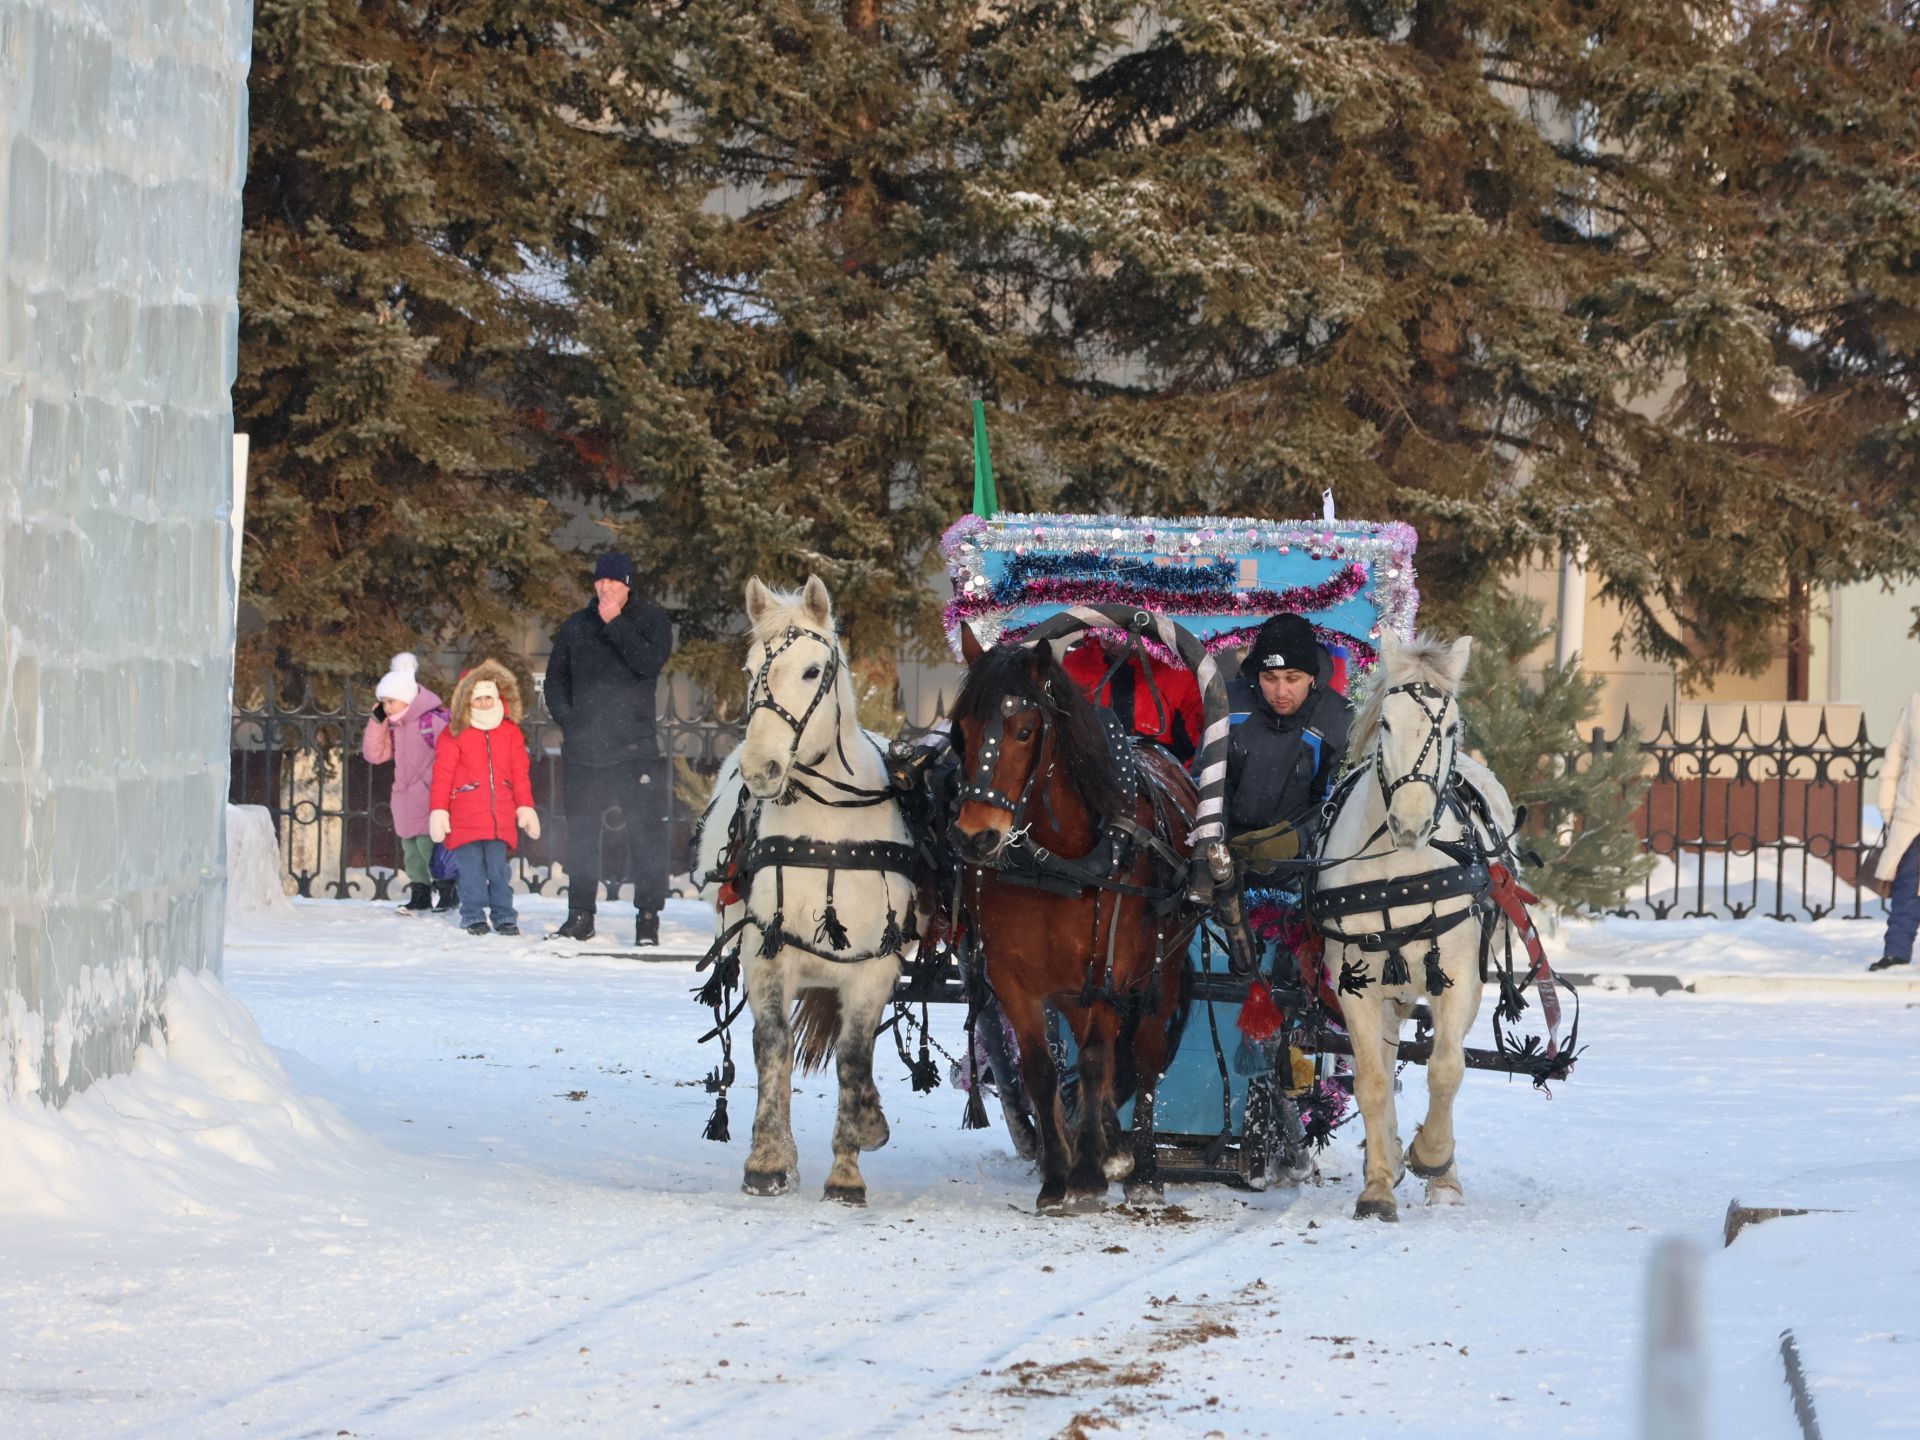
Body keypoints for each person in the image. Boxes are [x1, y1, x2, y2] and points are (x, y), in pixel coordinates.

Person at [544, 551, 675, 945]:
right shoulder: (575, 627)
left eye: (613, 582)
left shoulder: (651, 621)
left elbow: (648, 663)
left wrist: (615, 624)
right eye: (599, 581)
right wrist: (572, 723)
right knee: (581, 836)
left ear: (628, 584)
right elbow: (555, 683)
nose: (604, 588)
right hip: (585, 752)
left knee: (646, 835)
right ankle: (580, 915)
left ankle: (647, 918)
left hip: (634, 750)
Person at [1224, 612, 1353, 862]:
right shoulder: (1227, 701)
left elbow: (1337, 800)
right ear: (1256, 676)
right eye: (1270, 678)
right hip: (1226, 848)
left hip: (1299, 857)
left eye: (1292, 678)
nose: (1281, 691)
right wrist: (1217, 836)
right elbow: (1205, 776)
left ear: (1312, 677)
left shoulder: (1339, 718)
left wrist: (1295, 839)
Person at [429, 661, 539, 936]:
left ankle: (504, 915)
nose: (484, 703)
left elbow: (519, 772)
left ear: (498, 697)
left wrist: (525, 805)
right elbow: (443, 775)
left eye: (489, 697)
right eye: (478, 698)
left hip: (499, 817)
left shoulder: (510, 731)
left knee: (498, 871)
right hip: (465, 815)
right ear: (468, 701)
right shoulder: (454, 733)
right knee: (471, 871)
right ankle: (472, 915)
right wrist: (439, 810)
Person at [360, 653, 454, 914]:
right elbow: (374, 754)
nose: (386, 707)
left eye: (390, 701)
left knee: (429, 846)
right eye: (383, 702)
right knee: (411, 850)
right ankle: (420, 892)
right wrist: (377, 722)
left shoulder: (430, 720)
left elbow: (451, 752)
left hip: (429, 795)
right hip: (404, 795)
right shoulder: (394, 726)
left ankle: (447, 891)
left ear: (407, 697)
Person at [1870, 685, 1920, 971]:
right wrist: (1889, 808)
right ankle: (1896, 953)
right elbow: (1896, 755)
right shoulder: (1916, 702)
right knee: (1908, 887)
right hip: (1913, 813)